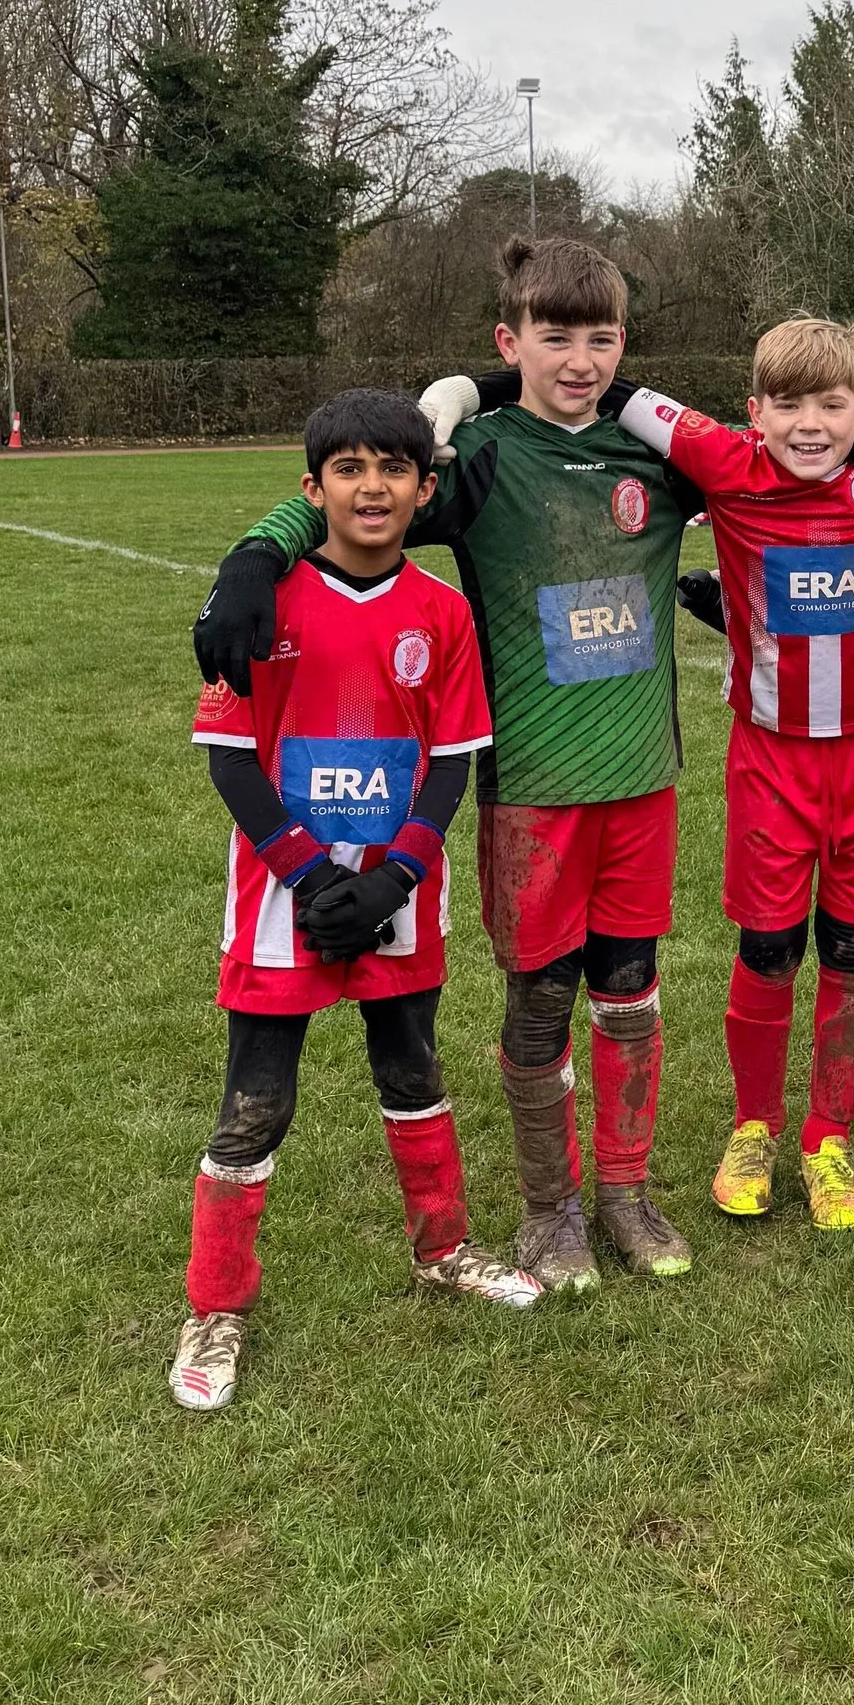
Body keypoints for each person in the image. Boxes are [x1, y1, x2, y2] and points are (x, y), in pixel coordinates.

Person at [195, 236, 709, 1292]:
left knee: (630, 991)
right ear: (507, 339)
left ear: (625, 345)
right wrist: (257, 551)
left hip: (642, 779)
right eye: (552, 337)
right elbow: (359, 494)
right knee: (539, 1003)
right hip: (532, 793)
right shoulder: (477, 460)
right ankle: (550, 1209)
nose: (579, 359)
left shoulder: (657, 458)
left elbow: (793, 457)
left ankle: (625, 1192)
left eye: (600, 338)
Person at [171, 391, 537, 1412]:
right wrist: (306, 872)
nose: (371, 487)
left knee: (412, 1067)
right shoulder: (269, 600)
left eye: (394, 470)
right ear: (312, 487)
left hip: (397, 896)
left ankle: (445, 1250)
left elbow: (451, 769)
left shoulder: (442, 611)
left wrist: (393, 878)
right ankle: (216, 1307)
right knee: (258, 1102)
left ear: (426, 489)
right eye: (349, 469)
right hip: (284, 896)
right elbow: (233, 762)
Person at [607, 319, 854, 1232]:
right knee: (769, 946)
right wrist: (468, 390)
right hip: (770, 756)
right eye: (787, 403)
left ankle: (830, 1134)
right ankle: (755, 1123)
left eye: (833, 404)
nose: (809, 422)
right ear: (753, 412)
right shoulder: (726, 463)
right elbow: (607, 387)